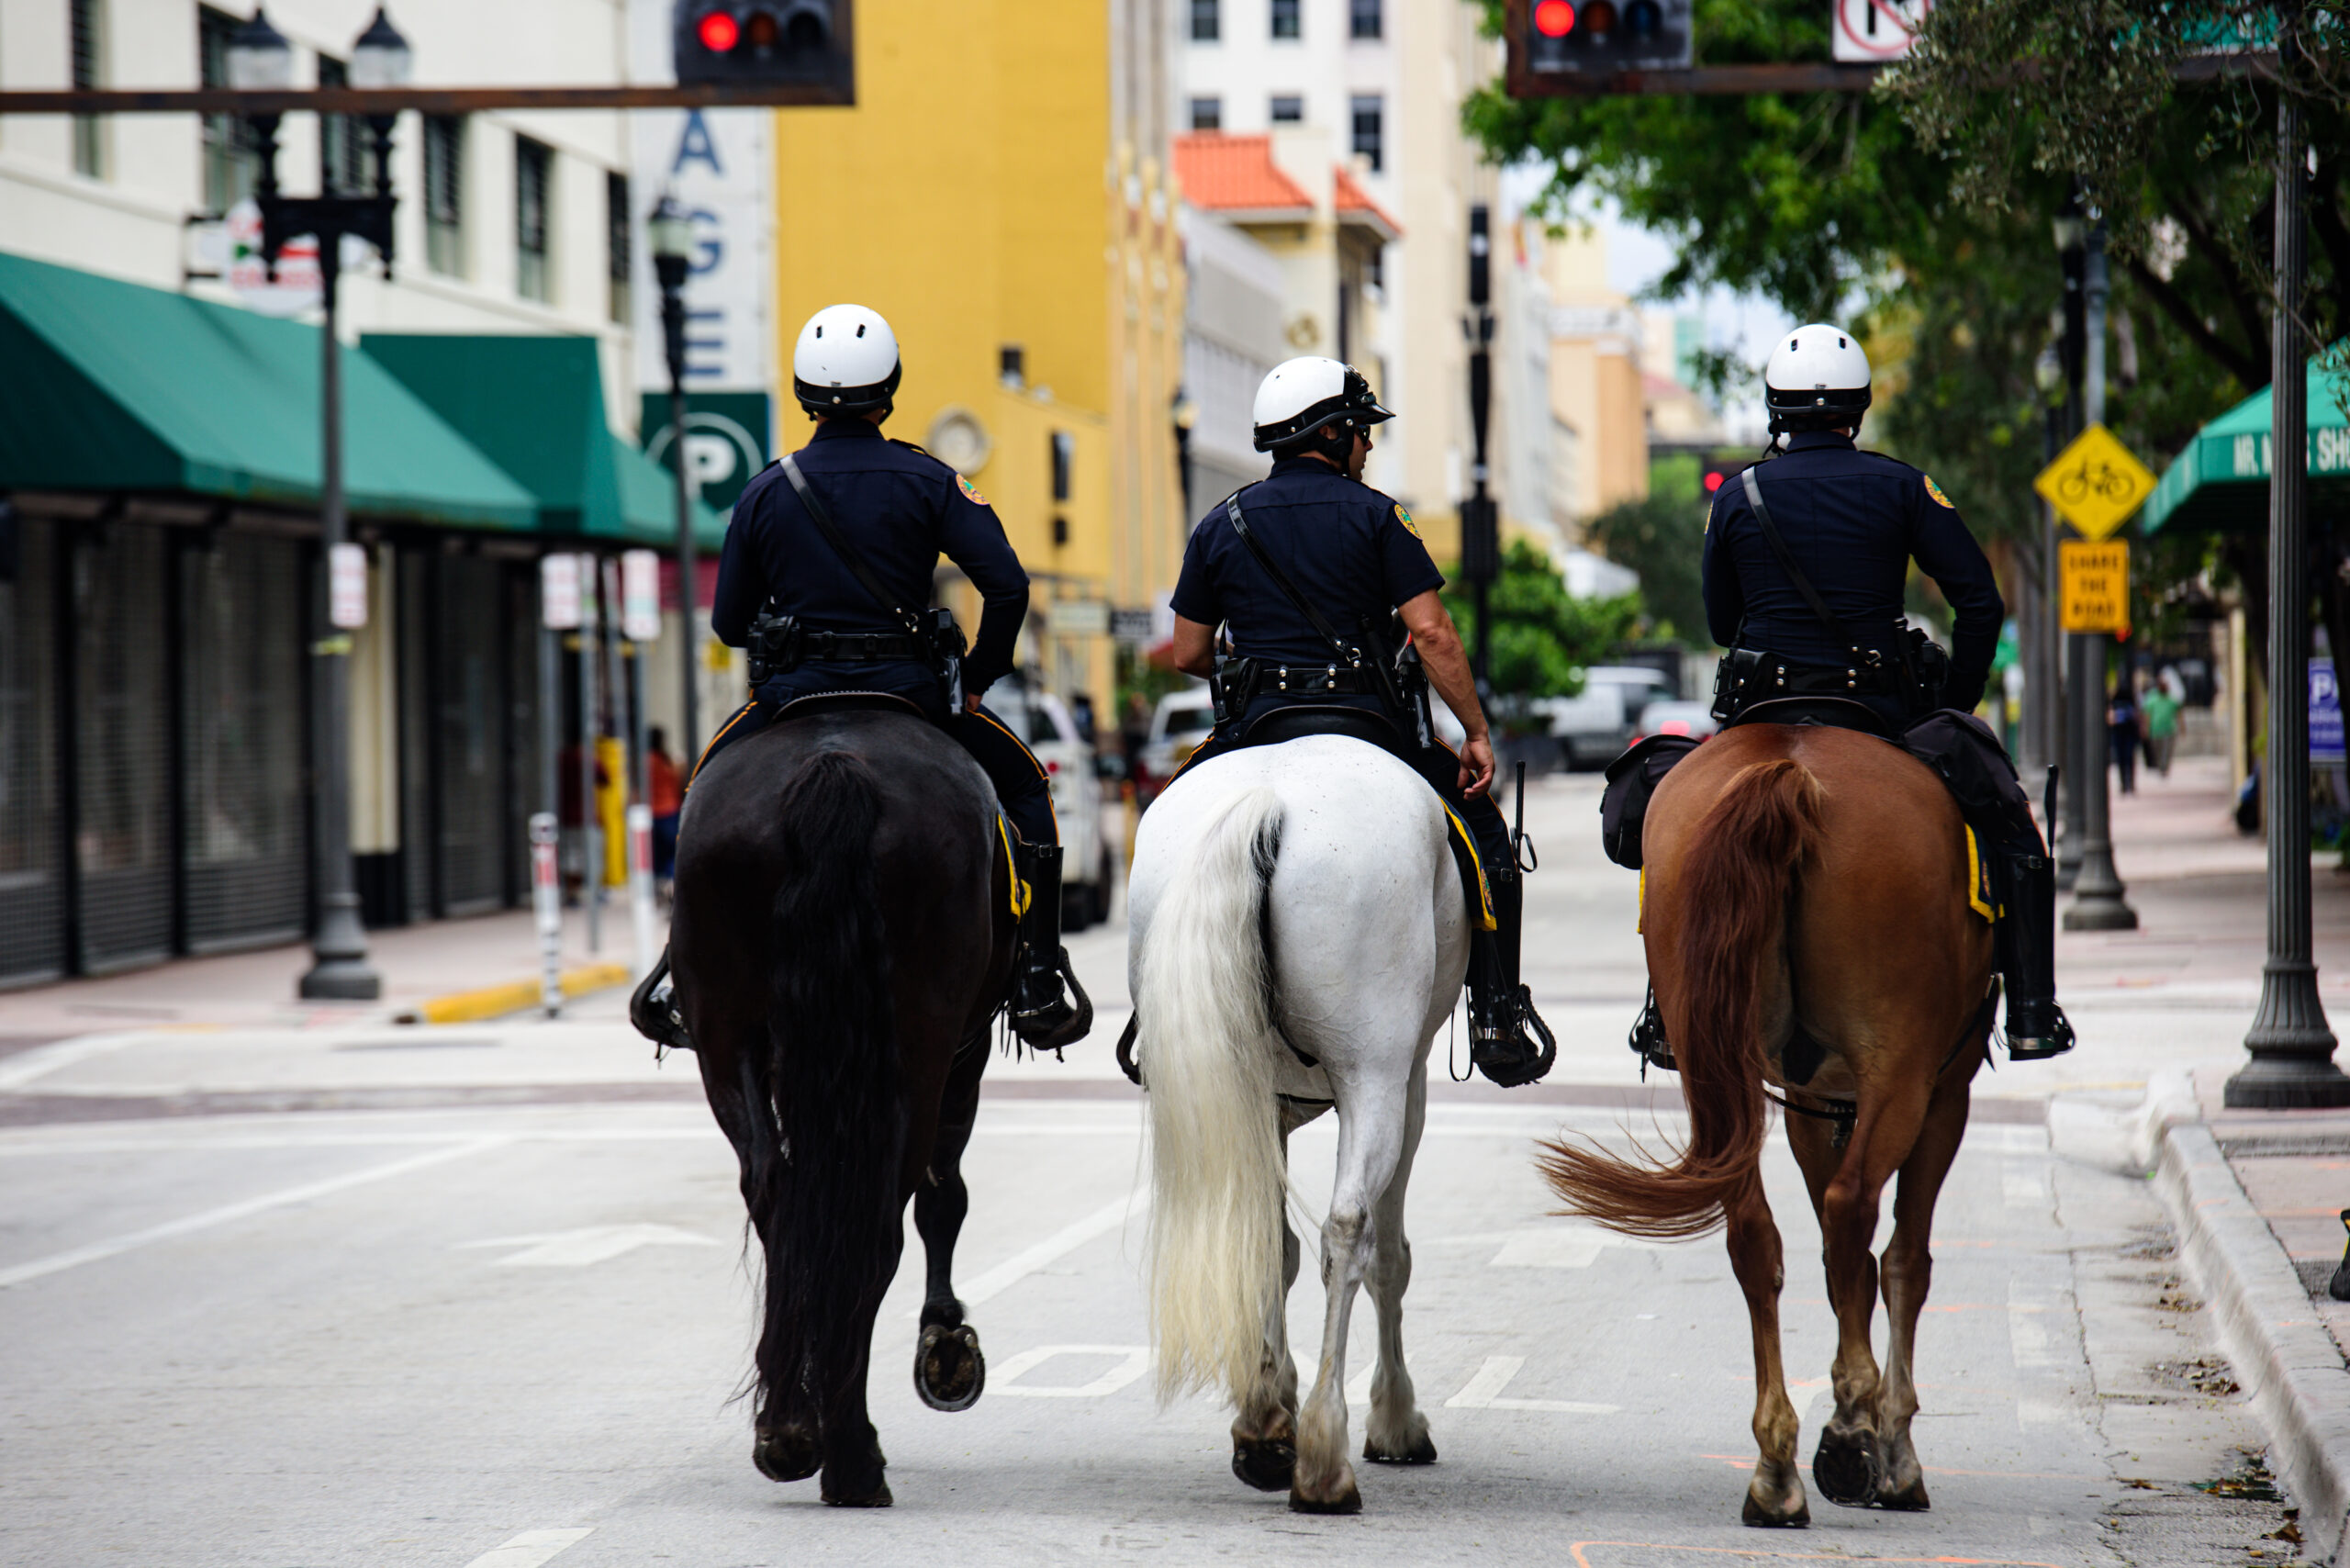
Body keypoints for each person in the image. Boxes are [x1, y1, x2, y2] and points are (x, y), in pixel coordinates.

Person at [630, 303, 1087, 1055]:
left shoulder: (767, 490)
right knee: (1028, 789)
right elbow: (1007, 586)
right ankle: (1038, 973)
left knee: (707, 791)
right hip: (914, 695)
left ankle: (682, 971)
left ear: (805, 392)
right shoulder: (932, 480)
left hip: (790, 695)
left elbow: (729, 623)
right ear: (891, 387)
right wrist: (979, 675)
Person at [1619, 323, 2071, 1062]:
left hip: (1759, 706)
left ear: (1775, 410)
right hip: (1882, 709)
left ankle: (1665, 1012)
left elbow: (1721, 623)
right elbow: (1979, 602)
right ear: (1857, 408)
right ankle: (2030, 1009)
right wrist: (1954, 703)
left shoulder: (1737, 495)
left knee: (1671, 825)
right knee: (2013, 829)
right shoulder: (1904, 486)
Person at [1162, 355, 1554, 1088]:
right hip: (1369, 724)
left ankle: (1152, 1018)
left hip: (1255, 725)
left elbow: (1188, 651)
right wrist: (1474, 731)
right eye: (1362, 431)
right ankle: (1497, 1011)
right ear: (1331, 433)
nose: (1369, 445)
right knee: (1486, 834)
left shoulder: (1222, 521)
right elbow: (1431, 633)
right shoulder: (1378, 516)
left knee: (1172, 830)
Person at [646, 726, 682, 890]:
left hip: (652, 812)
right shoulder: (668, 761)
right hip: (670, 811)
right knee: (672, 852)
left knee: (655, 854)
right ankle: (670, 882)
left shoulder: (644, 761)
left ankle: (658, 884)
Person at [2142, 679, 2180, 778]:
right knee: (2157, 750)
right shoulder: (2152, 700)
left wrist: (2182, 727)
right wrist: (2146, 728)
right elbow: (2147, 715)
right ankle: (2161, 766)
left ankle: (2164, 767)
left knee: (2167, 750)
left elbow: (2178, 714)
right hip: (2155, 729)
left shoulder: (2172, 700)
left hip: (2169, 729)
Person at [2109, 683, 2140, 795]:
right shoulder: (2130, 704)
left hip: (2119, 734)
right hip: (2129, 734)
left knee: (2122, 759)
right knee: (2129, 759)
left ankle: (2124, 784)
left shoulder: (2115, 704)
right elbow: (2136, 717)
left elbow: (2111, 720)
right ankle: (2130, 783)